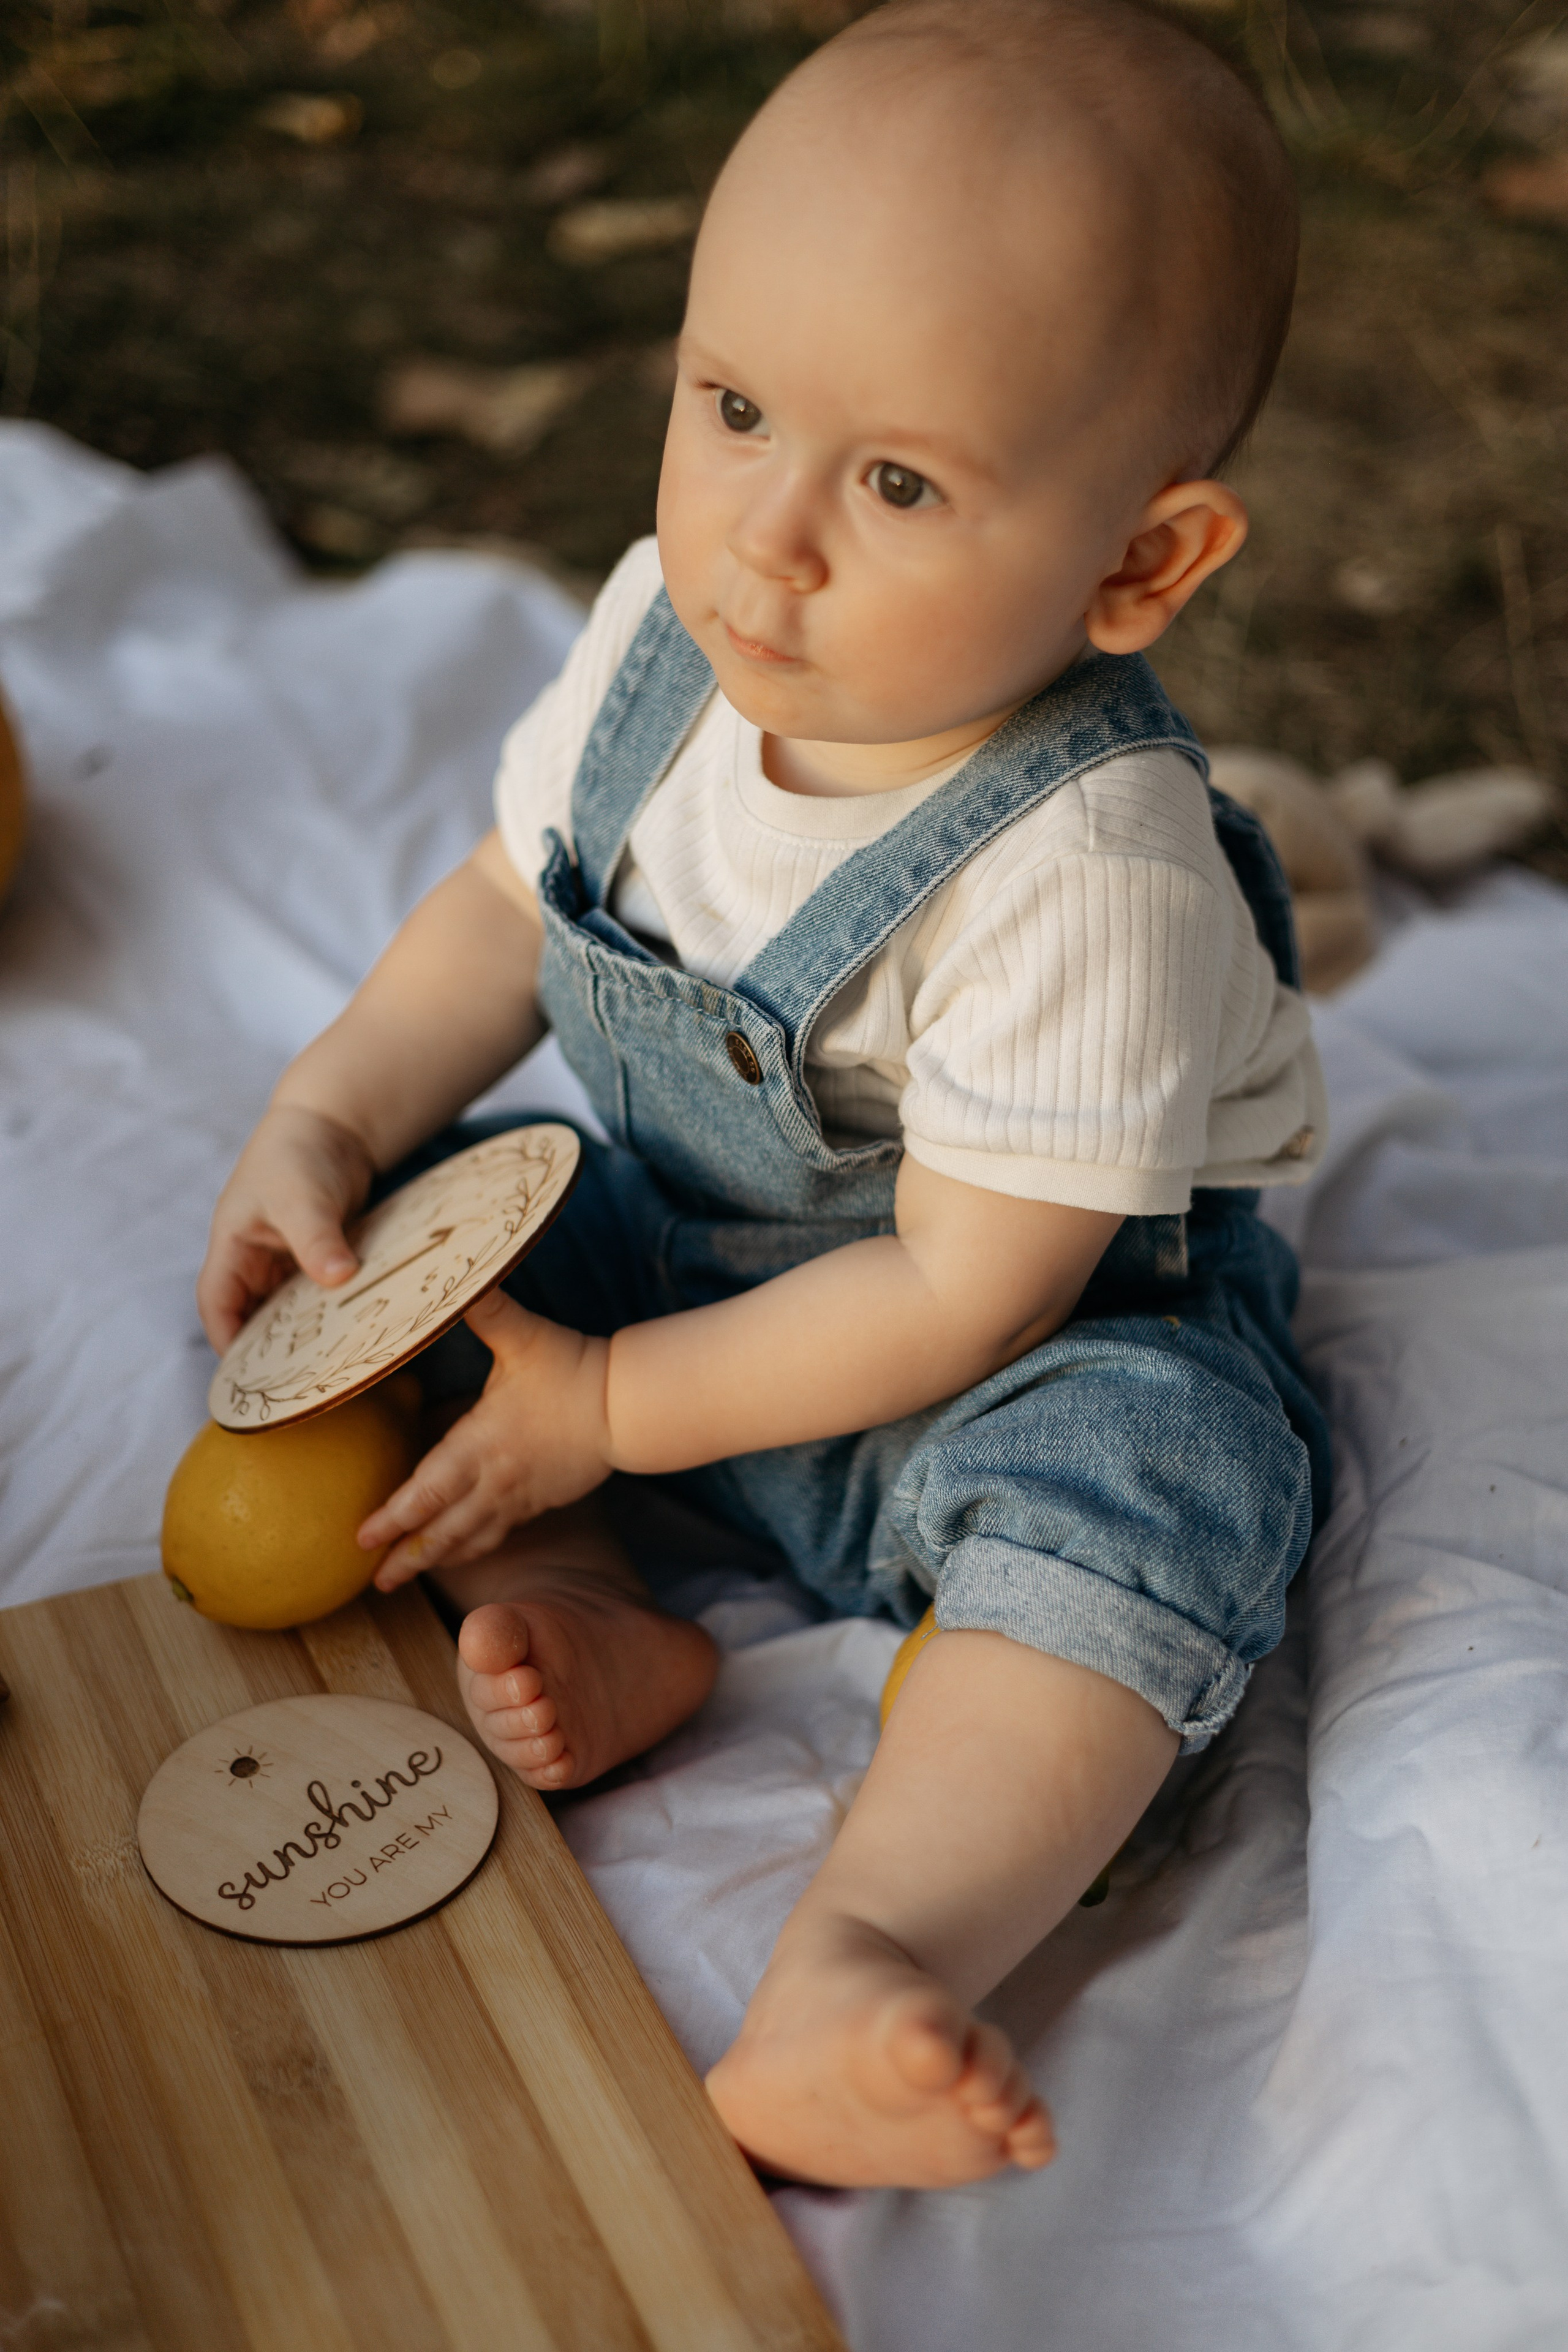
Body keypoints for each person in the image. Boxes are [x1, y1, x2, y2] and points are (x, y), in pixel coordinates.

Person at [199, 0, 1330, 2190]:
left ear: (1140, 564)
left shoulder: (1086, 865)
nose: (766, 540)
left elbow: (964, 1300)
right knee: (418, 1249)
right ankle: (609, 1601)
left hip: (1001, 1355)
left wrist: (609, 1401)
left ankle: (874, 1951)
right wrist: (331, 1120)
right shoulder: (662, 642)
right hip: (679, 1263)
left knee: (1160, 1498)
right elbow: (495, 913)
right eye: (732, 408)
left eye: (897, 482)